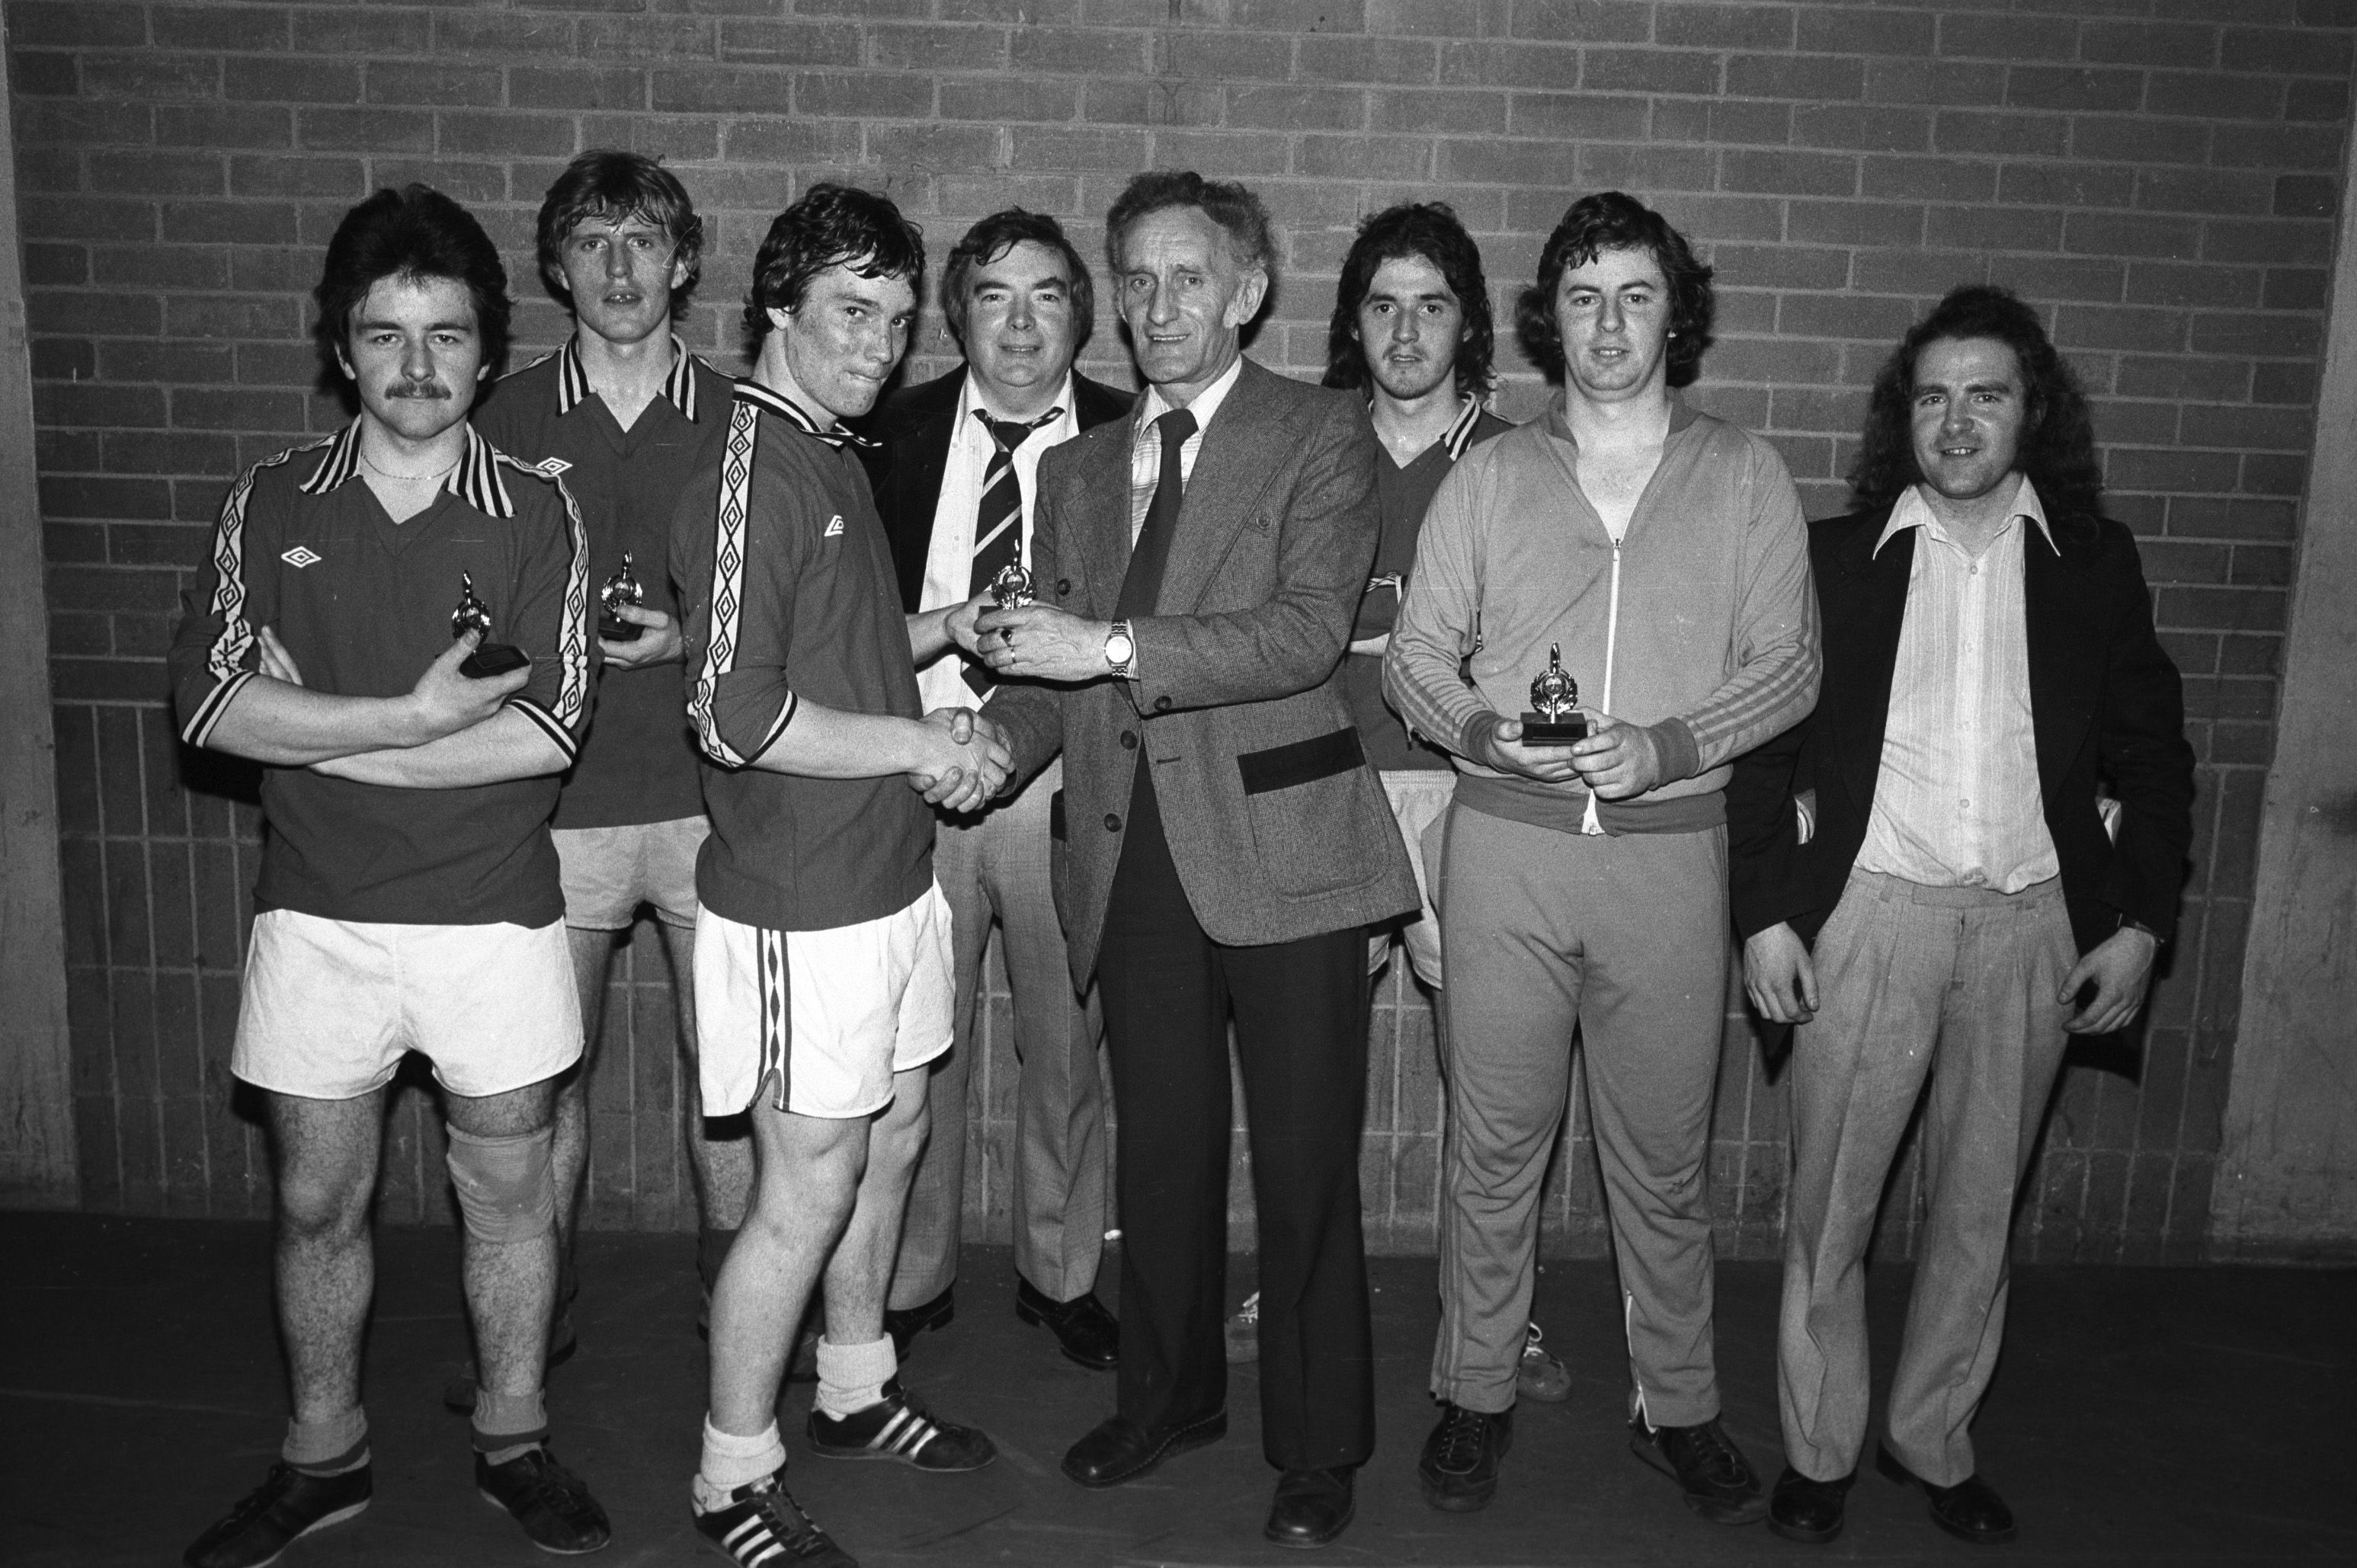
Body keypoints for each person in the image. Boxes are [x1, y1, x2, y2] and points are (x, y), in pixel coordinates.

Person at [975, 170, 1417, 1550]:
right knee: (1158, 1153)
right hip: (1129, 853)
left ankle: (1318, 1442)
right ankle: (1166, 1394)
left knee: (1300, 1164)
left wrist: (1103, 649)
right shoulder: (1075, 467)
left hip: (1285, 851)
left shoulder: (1319, 433)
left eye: (1188, 280)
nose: (1157, 307)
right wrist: (986, 747)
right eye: (1137, 281)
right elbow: (1052, 668)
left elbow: (1298, 635)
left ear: (1244, 294)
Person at [170, 184, 610, 1566]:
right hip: (317, 921)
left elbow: (545, 736)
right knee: (314, 1199)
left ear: (488, 351)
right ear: (339, 348)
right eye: (384, 335)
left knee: (509, 1194)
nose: (417, 364)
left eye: (446, 334)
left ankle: (516, 1435)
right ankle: (322, 1452)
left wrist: (316, 738)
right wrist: (415, 720)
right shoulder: (265, 504)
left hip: (492, 920)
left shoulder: (540, 509)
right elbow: (204, 709)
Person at [1726, 285, 2194, 1548]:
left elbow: (2156, 756)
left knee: (1978, 1204)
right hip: (1868, 918)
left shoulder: (2095, 565)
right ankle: (1820, 1447)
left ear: (2030, 410)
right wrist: (1768, 914)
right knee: (1829, 1205)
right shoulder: (1835, 560)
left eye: (1984, 393)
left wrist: (2140, 922)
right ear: (1903, 417)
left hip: (2033, 928)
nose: (1955, 419)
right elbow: (1761, 752)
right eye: (1930, 395)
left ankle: (1930, 1435)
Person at [1385, 190, 1819, 1524]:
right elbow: (1413, 657)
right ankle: (1472, 1392)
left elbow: (1790, 665)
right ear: (1546, 319)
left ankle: (1676, 1404)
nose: (1608, 324)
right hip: (1505, 851)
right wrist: (1478, 734)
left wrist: (1671, 746)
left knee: (1659, 1159)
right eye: (1581, 297)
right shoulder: (1493, 474)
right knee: (1492, 1149)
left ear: (1673, 310)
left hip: (1667, 859)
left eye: (1635, 294)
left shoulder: (1742, 472)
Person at [670, 183, 1005, 1568]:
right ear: (777, 312)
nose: (878, 342)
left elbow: (837, 646)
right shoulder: (747, 467)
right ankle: (729, 1472)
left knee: (896, 1137)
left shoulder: (827, 453)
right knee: (803, 1185)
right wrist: (925, 741)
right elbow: (735, 714)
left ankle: (855, 1385)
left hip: (891, 877)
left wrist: (944, 627)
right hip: (802, 898)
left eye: (893, 317)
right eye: (848, 312)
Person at [1225, 200, 1578, 1399]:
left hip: (1468, 795)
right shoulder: (1307, 445)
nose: (1406, 329)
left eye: (1431, 306)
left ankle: (1498, 1311)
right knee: (1307, 1060)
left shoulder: (1518, 461)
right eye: (1382, 305)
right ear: (1352, 324)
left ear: (1467, 324)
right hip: (1324, 781)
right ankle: (1300, 1273)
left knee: (1490, 1068)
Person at [464, 150, 746, 1402]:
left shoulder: (745, 416)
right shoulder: (505, 422)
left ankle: (745, 1308)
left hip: (708, 800)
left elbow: (792, 599)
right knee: (541, 1078)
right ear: (557, 266)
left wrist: (698, 635)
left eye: (644, 241)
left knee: (728, 1076)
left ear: (684, 261)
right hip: (557, 805)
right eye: (592, 241)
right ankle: (537, 1313)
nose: (621, 267)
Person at [853, 209, 1132, 1374]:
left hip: (1067, 769)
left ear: (1082, 312)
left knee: (1069, 1040)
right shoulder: (884, 434)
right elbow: (847, 617)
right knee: (916, 1045)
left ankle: (1059, 1272)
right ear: (954, 313)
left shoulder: (1134, 436)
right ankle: (910, 1274)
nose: (1020, 325)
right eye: (993, 297)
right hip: (910, 770)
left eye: (1047, 297)